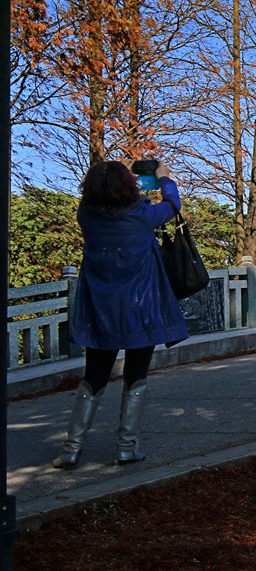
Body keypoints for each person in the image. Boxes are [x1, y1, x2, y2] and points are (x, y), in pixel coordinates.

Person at [53, 159, 189, 470]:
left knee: (93, 378)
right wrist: (164, 177)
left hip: (101, 311)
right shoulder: (141, 215)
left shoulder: (85, 215)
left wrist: (122, 171)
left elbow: (105, 198)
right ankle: (125, 448)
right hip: (140, 310)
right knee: (136, 377)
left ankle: (72, 450)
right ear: (127, 185)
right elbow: (172, 204)